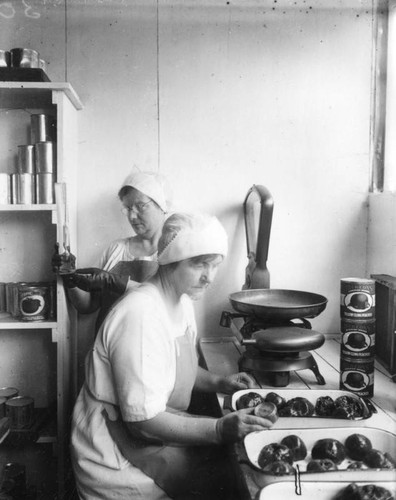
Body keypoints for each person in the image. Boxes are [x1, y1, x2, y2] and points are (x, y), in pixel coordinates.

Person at [70, 212, 274, 500]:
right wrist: (217, 429)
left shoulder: (181, 301)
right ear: (169, 262)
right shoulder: (140, 316)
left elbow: (174, 371)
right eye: (200, 264)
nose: (210, 277)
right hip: (118, 465)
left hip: (152, 441)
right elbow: (142, 422)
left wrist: (219, 382)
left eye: (215, 265)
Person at [54, 170, 170, 334]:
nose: (132, 216)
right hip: (108, 350)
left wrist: (120, 283)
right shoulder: (117, 250)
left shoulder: (174, 251)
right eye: (128, 208)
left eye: (140, 206)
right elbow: (87, 306)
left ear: (162, 205)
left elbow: (169, 305)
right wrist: (70, 279)